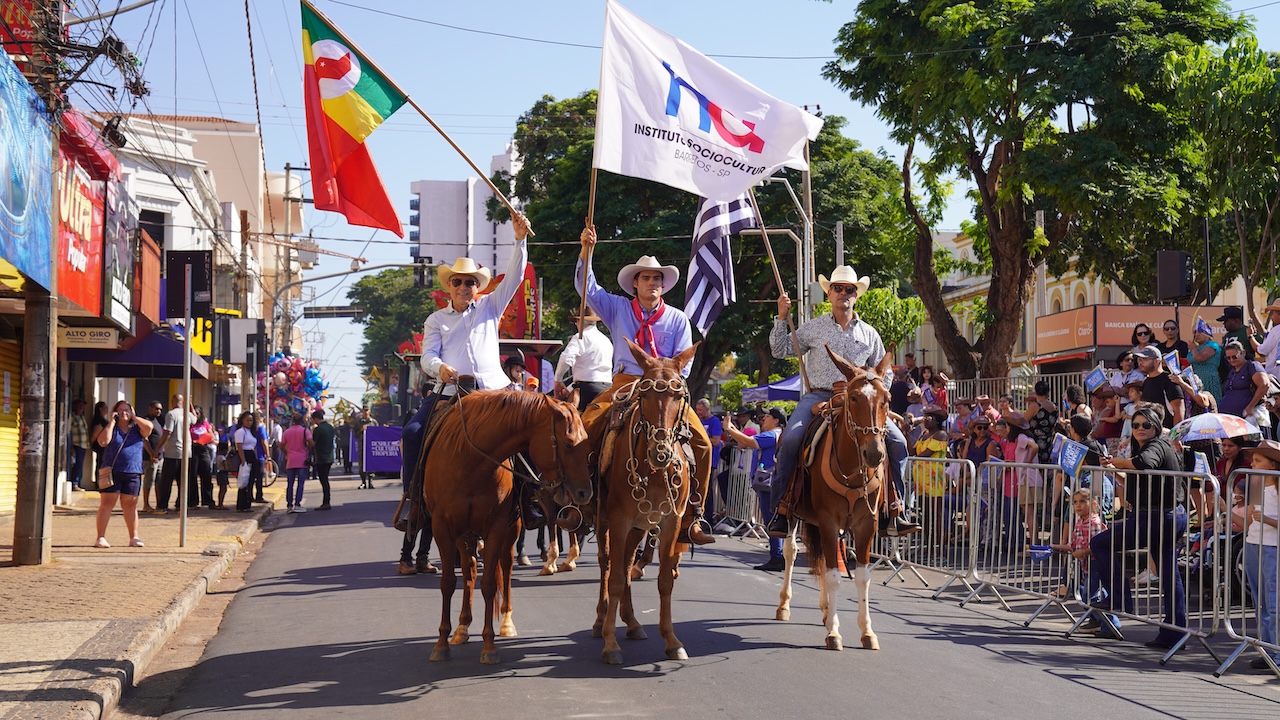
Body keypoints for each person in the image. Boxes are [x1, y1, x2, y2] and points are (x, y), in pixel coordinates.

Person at [574, 225, 715, 545]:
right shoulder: (617, 308)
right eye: (646, 278)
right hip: (626, 384)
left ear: (663, 286)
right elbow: (587, 289)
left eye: (657, 279)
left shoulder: (678, 319)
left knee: (704, 444)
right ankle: (581, 504)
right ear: (634, 283)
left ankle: (694, 516)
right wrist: (586, 251)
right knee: (586, 427)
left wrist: (671, 380)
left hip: (665, 390)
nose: (652, 283)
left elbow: (686, 360)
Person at [765, 264, 919, 538]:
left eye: (849, 289)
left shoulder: (869, 334)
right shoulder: (814, 327)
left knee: (897, 443)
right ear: (829, 293)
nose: (843, 293)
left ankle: (897, 510)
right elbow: (779, 350)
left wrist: (878, 400)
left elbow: (883, 374)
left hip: (861, 401)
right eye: (838, 288)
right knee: (790, 439)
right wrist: (781, 317)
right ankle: (782, 510)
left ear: (856, 295)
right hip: (820, 394)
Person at [1092, 403, 1188, 648]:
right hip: (1162, 515)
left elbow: (1145, 463)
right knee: (1168, 573)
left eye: (1145, 424)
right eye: (1135, 425)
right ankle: (1174, 634)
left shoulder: (1155, 446)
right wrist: (1115, 469)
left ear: (1156, 426)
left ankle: (1120, 600)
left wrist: (1118, 460)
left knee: (1100, 543)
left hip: (1157, 516)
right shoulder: (1149, 447)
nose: (1139, 429)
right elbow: (1138, 473)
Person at [1233, 439, 1280, 670]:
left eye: (1258, 460)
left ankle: (1276, 653)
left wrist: (1269, 520)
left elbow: (1266, 520)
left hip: (1273, 548)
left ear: (1273, 465)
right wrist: (1225, 508)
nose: (1252, 464)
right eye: (1253, 459)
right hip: (1253, 545)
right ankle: (1267, 648)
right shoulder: (1256, 485)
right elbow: (1246, 523)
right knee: (1259, 601)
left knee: (1272, 602)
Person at [724, 407, 785, 570]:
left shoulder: (772, 435)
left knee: (770, 520)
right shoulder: (779, 435)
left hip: (768, 482)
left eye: (768, 416)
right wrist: (734, 430)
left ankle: (777, 557)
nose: (764, 419)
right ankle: (779, 556)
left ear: (776, 420)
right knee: (776, 520)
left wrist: (729, 429)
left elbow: (748, 442)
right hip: (776, 481)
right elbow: (746, 440)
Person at [1052, 489, 1119, 633]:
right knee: (1086, 593)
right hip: (1086, 564)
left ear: (1093, 503)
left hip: (1097, 563)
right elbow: (1073, 544)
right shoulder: (1079, 522)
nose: (1078, 505)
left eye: (1082, 501)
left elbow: (1098, 546)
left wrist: (1083, 552)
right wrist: (1055, 546)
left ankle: (1110, 625)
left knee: (1092, 595)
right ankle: (1097, 620)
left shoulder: (1094, 523)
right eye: (1075, 502)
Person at [93, 400, 153, 548]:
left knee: (131, 505)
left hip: (133, 471)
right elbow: (103, 441)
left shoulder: (137, 429)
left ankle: (134, 537)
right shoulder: (111, 428)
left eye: (126, 410)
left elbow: (149, 427)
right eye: (120, 410)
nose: (123, 413)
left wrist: (134, 417)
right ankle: (100, 537)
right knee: (107, 504)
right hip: (112, 471)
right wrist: (112, 422)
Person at [554, 312, 614, 411]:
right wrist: (568, 389)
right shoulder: (606, 340)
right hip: (607, 389)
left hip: (586, 390)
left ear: (579, 321)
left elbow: (566, 359)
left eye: (576, 321)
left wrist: (558, 380)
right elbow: (589, 374)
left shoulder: (580, 337)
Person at [1221, 340, 1272, 437]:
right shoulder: (1232, 371)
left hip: (1250, 420)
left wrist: (1250, 406)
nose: (1231, 360)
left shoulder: (1252, 366)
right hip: (1233, 422)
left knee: (1255, 449)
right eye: (1228, 358)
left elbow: (1264, 385)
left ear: (1243, 353)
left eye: (1234, 356)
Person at [1133, 345, 1185, 429]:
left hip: (1167, 434)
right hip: (1150, 432)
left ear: (1157, 361)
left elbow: (1179, 410)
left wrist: (1175, 436)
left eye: (1145, 359)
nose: (1141, 363)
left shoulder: (1169, 380)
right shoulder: (1146, 381)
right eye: (1140, 359)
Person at [156, 394, 192, 512]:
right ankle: (181, 504)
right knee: (183, 481)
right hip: (186, 452)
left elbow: (167, 433)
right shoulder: (187, 414)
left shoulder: (171, 414)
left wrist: (157, 448)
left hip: (173, 452)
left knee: (166, 481)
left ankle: (163, 505)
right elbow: (196, 418)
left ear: (173, 401)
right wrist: (190, 403)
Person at [280, 412, 314, 512]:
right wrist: (308, 450)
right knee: (300, 483)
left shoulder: (287, 432)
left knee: (290, 484)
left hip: (290, 460)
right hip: (302, 460)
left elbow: (281, 445)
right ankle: (297, 504)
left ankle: (289, 505)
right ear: (301, 421)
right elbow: (311, 443)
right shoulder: (305, 431)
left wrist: (287, 452)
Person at [232, 412, 263, 512]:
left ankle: (248, 503)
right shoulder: (240, 432)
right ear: (242, 420)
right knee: (244, 481)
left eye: (251, 420)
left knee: (250, 481)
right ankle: (242, 505)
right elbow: (239, 447)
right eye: (247, 420)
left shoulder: (251, 432)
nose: (249, 422)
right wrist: (243, 460)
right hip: (244, 455)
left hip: (252, 455)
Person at [1026, 380, 1059, 464]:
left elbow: (1023, 421)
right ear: (1048, 392)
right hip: (1048, 442)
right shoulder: (1054, 406)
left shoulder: (1035, 406)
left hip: (1035, 443)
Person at [189, 405, 216, 509]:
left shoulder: (205, 424)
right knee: (192, 475)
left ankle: (208, 500)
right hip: (192, 449)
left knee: (206, 474)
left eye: (197, 413)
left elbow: (211, 436)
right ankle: (193, 501)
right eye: (193, 413)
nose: (195, 415)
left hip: (203, 449)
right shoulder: (189, 424)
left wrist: (203, 440)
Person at [141, 401, 165, 513]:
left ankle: (159, 504)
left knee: (159, 481)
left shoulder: (158, 421)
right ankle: (146, 504)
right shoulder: (146, 421)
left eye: (160, 409)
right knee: (149, 480)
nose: (158, 411)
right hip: (150, 457)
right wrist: (151, 454)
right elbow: (144, 439)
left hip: (160, 456)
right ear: (150, 408)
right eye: (156, 408)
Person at [1190, 324, 1223, 403]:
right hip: (1195, 380)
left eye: (1200, 332)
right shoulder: (1195, 347)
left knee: (1211, 403)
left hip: (1208, 379)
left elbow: (1200, 358)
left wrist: (1193, 349)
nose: (1196, 335)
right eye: (1195, 332)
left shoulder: (1212, 345)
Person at [311, 409, 335, 511]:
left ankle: (326, 502)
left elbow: (313, 444)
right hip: (329, 456)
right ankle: (326, 501)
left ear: (316, 419)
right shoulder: (330, 427)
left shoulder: (318, 429)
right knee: (325, 480)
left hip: (321, 458)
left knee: (323, 480)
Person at [68, 398, 89, 493]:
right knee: (77, 464)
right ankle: (74, 483)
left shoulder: (81, 417)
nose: (81, 408)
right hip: (76, 445)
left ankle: (77, 483)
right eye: (79, 406)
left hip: (83, 445)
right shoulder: (72, 417)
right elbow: (68, 432)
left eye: (83, 406)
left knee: (80, 464)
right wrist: (71, 445)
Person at [213, 425, 230, 509]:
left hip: (219, 473)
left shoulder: (217, 457)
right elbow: (225, 466)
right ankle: (220, 504)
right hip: (223, 473)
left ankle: (220, 503)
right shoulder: (222, 458)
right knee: (223, 489)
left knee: (223, 489)